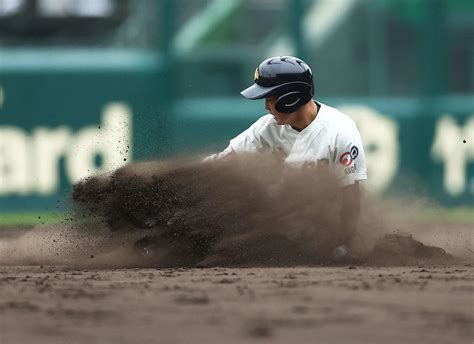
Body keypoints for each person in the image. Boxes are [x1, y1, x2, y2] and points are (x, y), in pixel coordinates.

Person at [206, 55, 367, 260]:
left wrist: (344, 244)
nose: (265, 106)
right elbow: (223, 163)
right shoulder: (266, 129)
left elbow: (351, 197)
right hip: (272, 225)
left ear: (290, 98)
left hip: (318, 231)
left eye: (269, 98)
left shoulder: (340, 131)